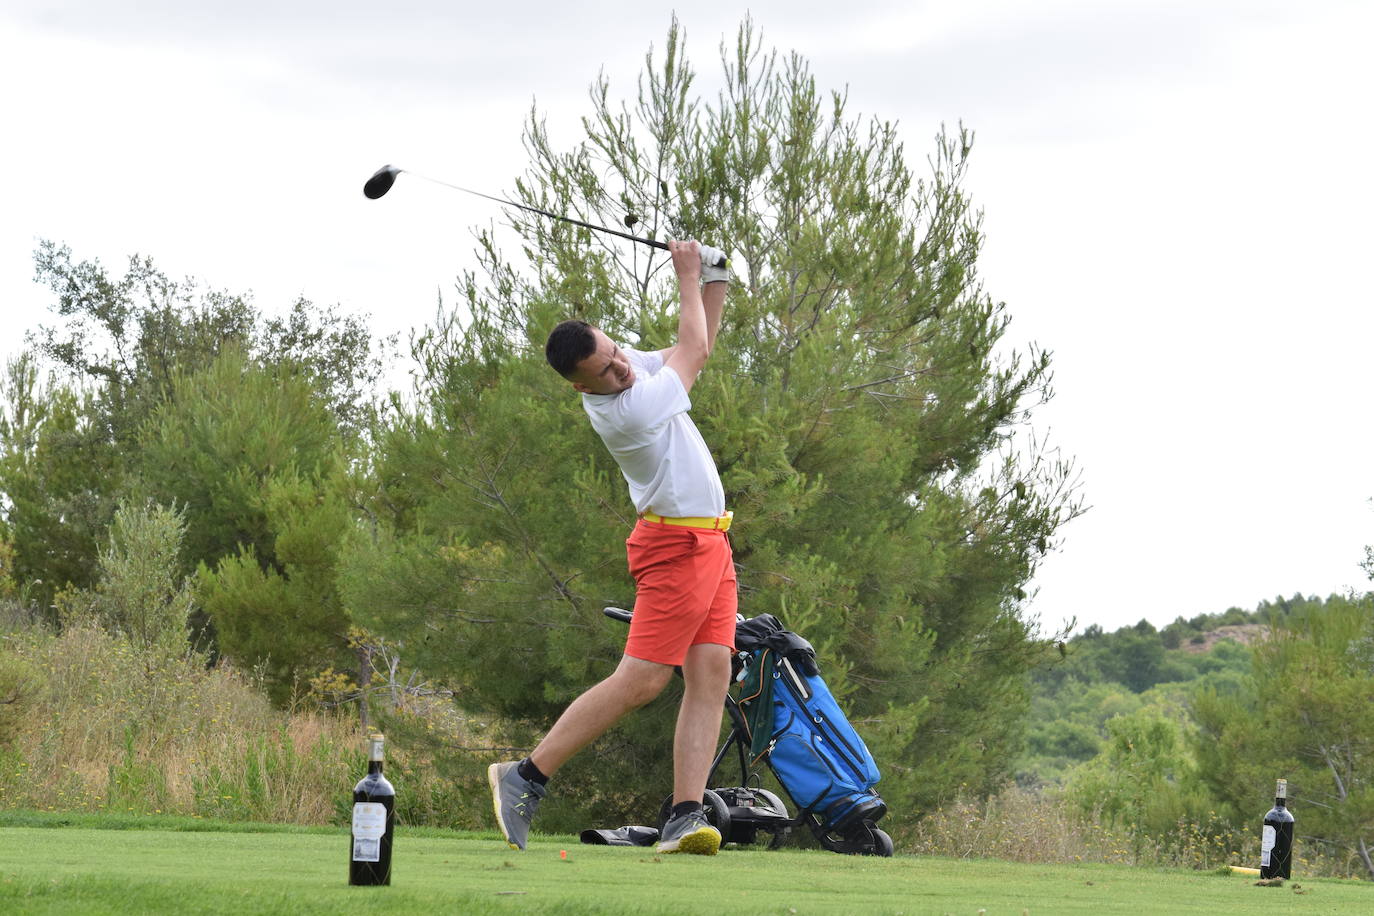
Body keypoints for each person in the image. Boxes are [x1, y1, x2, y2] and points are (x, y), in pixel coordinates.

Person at [488, 239, 735, 856]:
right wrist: (687, 275)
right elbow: (695, 350)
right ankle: (527, 776)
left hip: (712, 543)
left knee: (710, 674)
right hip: (675, 548)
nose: (621, 367)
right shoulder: (624, 410)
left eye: (616, 353)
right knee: (644, 680)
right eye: (604, 369)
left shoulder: (635, 370)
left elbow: (690, 347)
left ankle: (684, 814)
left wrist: (716, 277)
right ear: (582, 388)